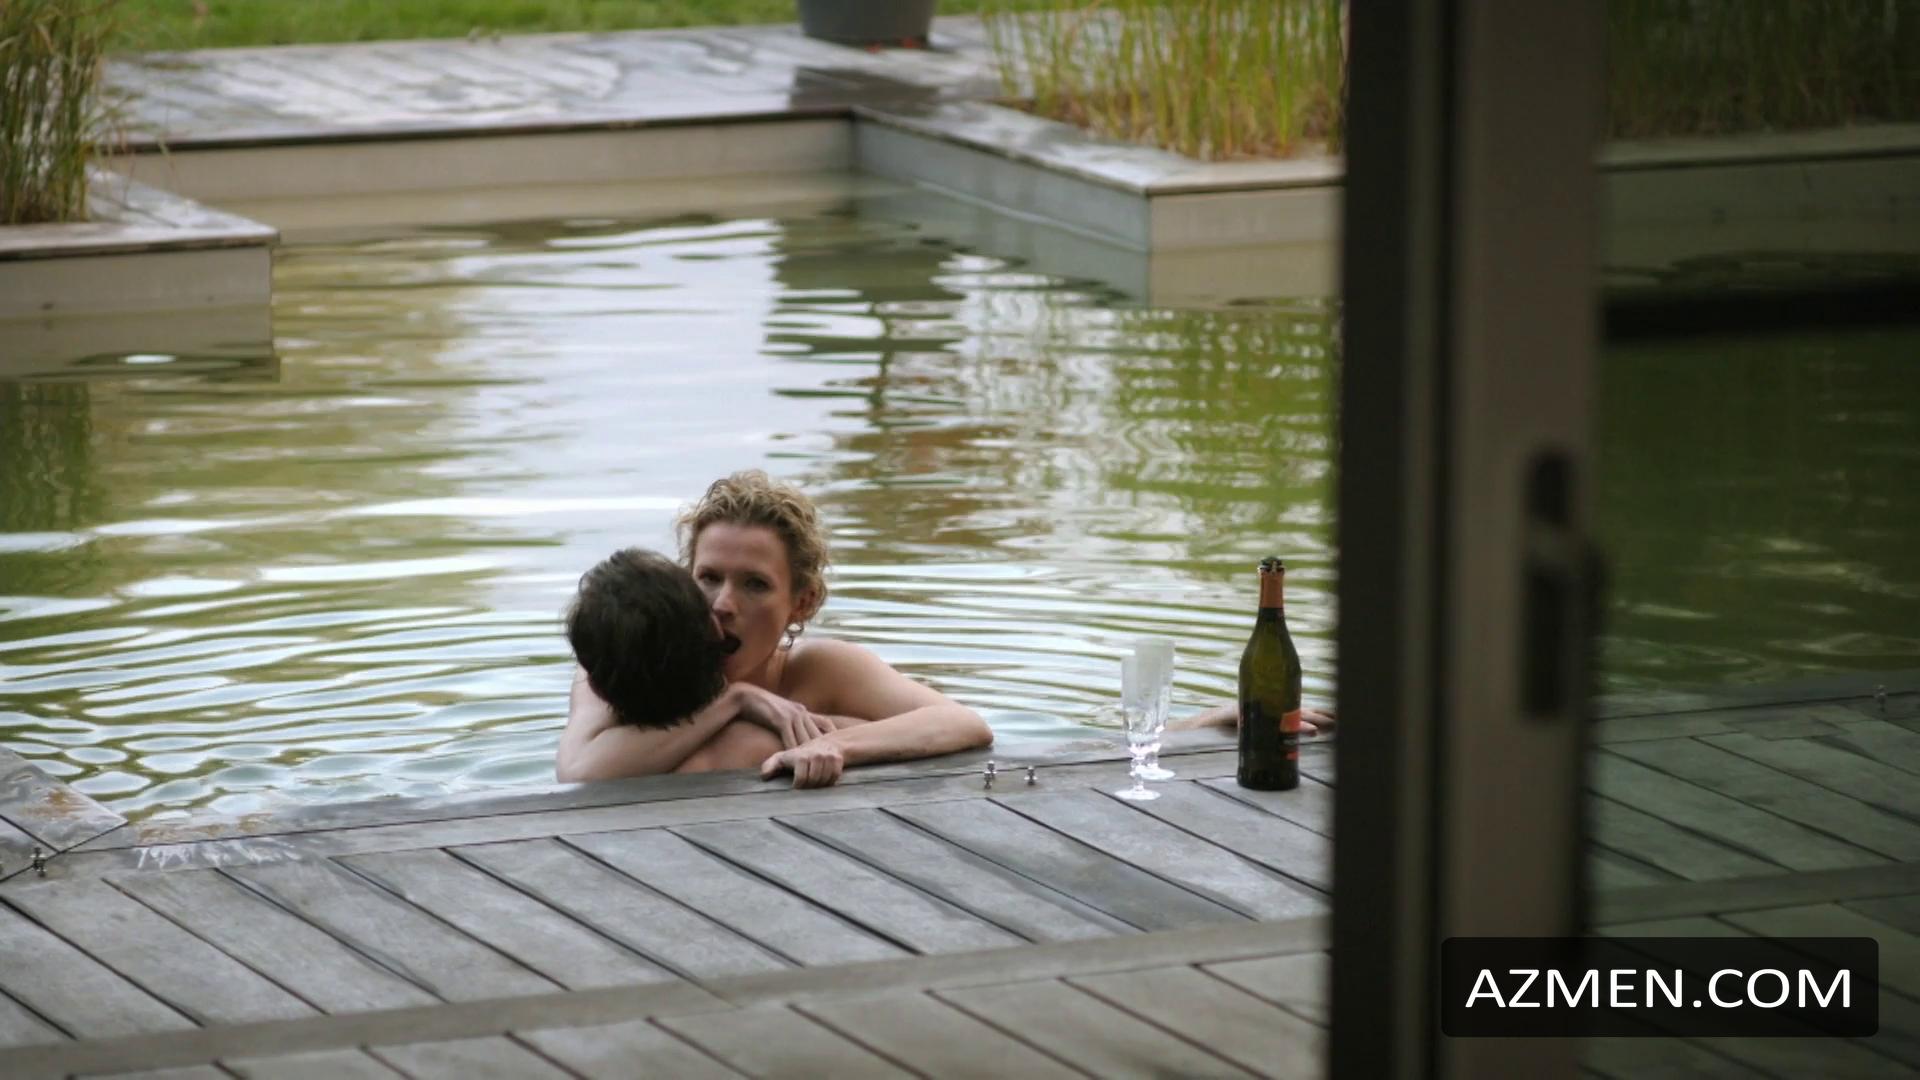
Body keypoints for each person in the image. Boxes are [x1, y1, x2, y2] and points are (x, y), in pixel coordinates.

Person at [557, 471, 993, 788]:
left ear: (801, 603)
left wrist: (838, 745)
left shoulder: (821, 669)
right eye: (709, 578)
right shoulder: (630, 656)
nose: (723, 604)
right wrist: (737, 701)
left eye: (755, 585)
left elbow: (962, 723)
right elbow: (578, 773)